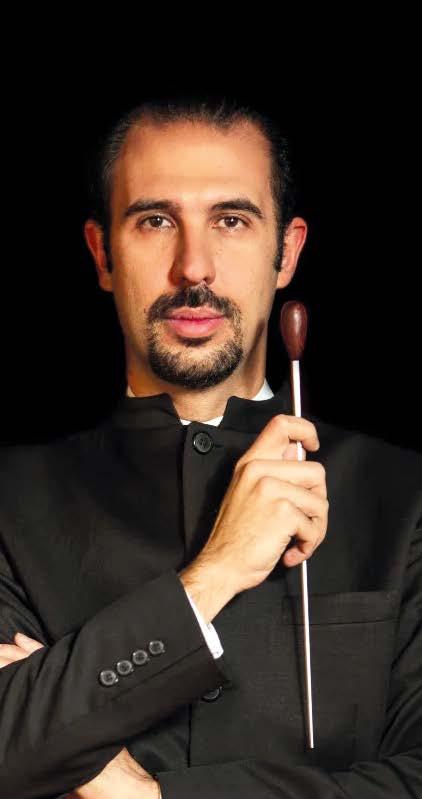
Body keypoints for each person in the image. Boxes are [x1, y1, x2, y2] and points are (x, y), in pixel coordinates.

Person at [0, 97, 420, 799]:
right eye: (155, 221)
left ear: (287, 252)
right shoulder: (10, 501)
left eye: (231, 220)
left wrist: (149, 796)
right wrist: (215, 573)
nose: (193, 267)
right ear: (102, 253)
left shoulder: (403, 496)